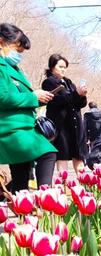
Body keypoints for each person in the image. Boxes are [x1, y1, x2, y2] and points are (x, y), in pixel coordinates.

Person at [0, 23, 57, 193]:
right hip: (11, 129)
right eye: (17, 49)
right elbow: (2, 97)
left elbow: (19, 97)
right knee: (47, 153)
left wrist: (40, 99)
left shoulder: (12, 67)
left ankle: (22, 212)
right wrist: (33, 97)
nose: (19, 55)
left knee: (21, 174)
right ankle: (46, 198)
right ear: (1, 41)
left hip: (22, 126)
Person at [41, 53, 87, 174]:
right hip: (61, 126)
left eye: (65, 67)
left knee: (78, 155)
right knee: (62, 155)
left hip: (76, 124)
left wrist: (82, 95)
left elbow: (80, 104)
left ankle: (83, 186)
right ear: (52, 67)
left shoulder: (69, 82)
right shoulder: (48, 83)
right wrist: (76, 94)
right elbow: (61, 101)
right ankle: (64, 186)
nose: (63, 69)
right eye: (60, 66)